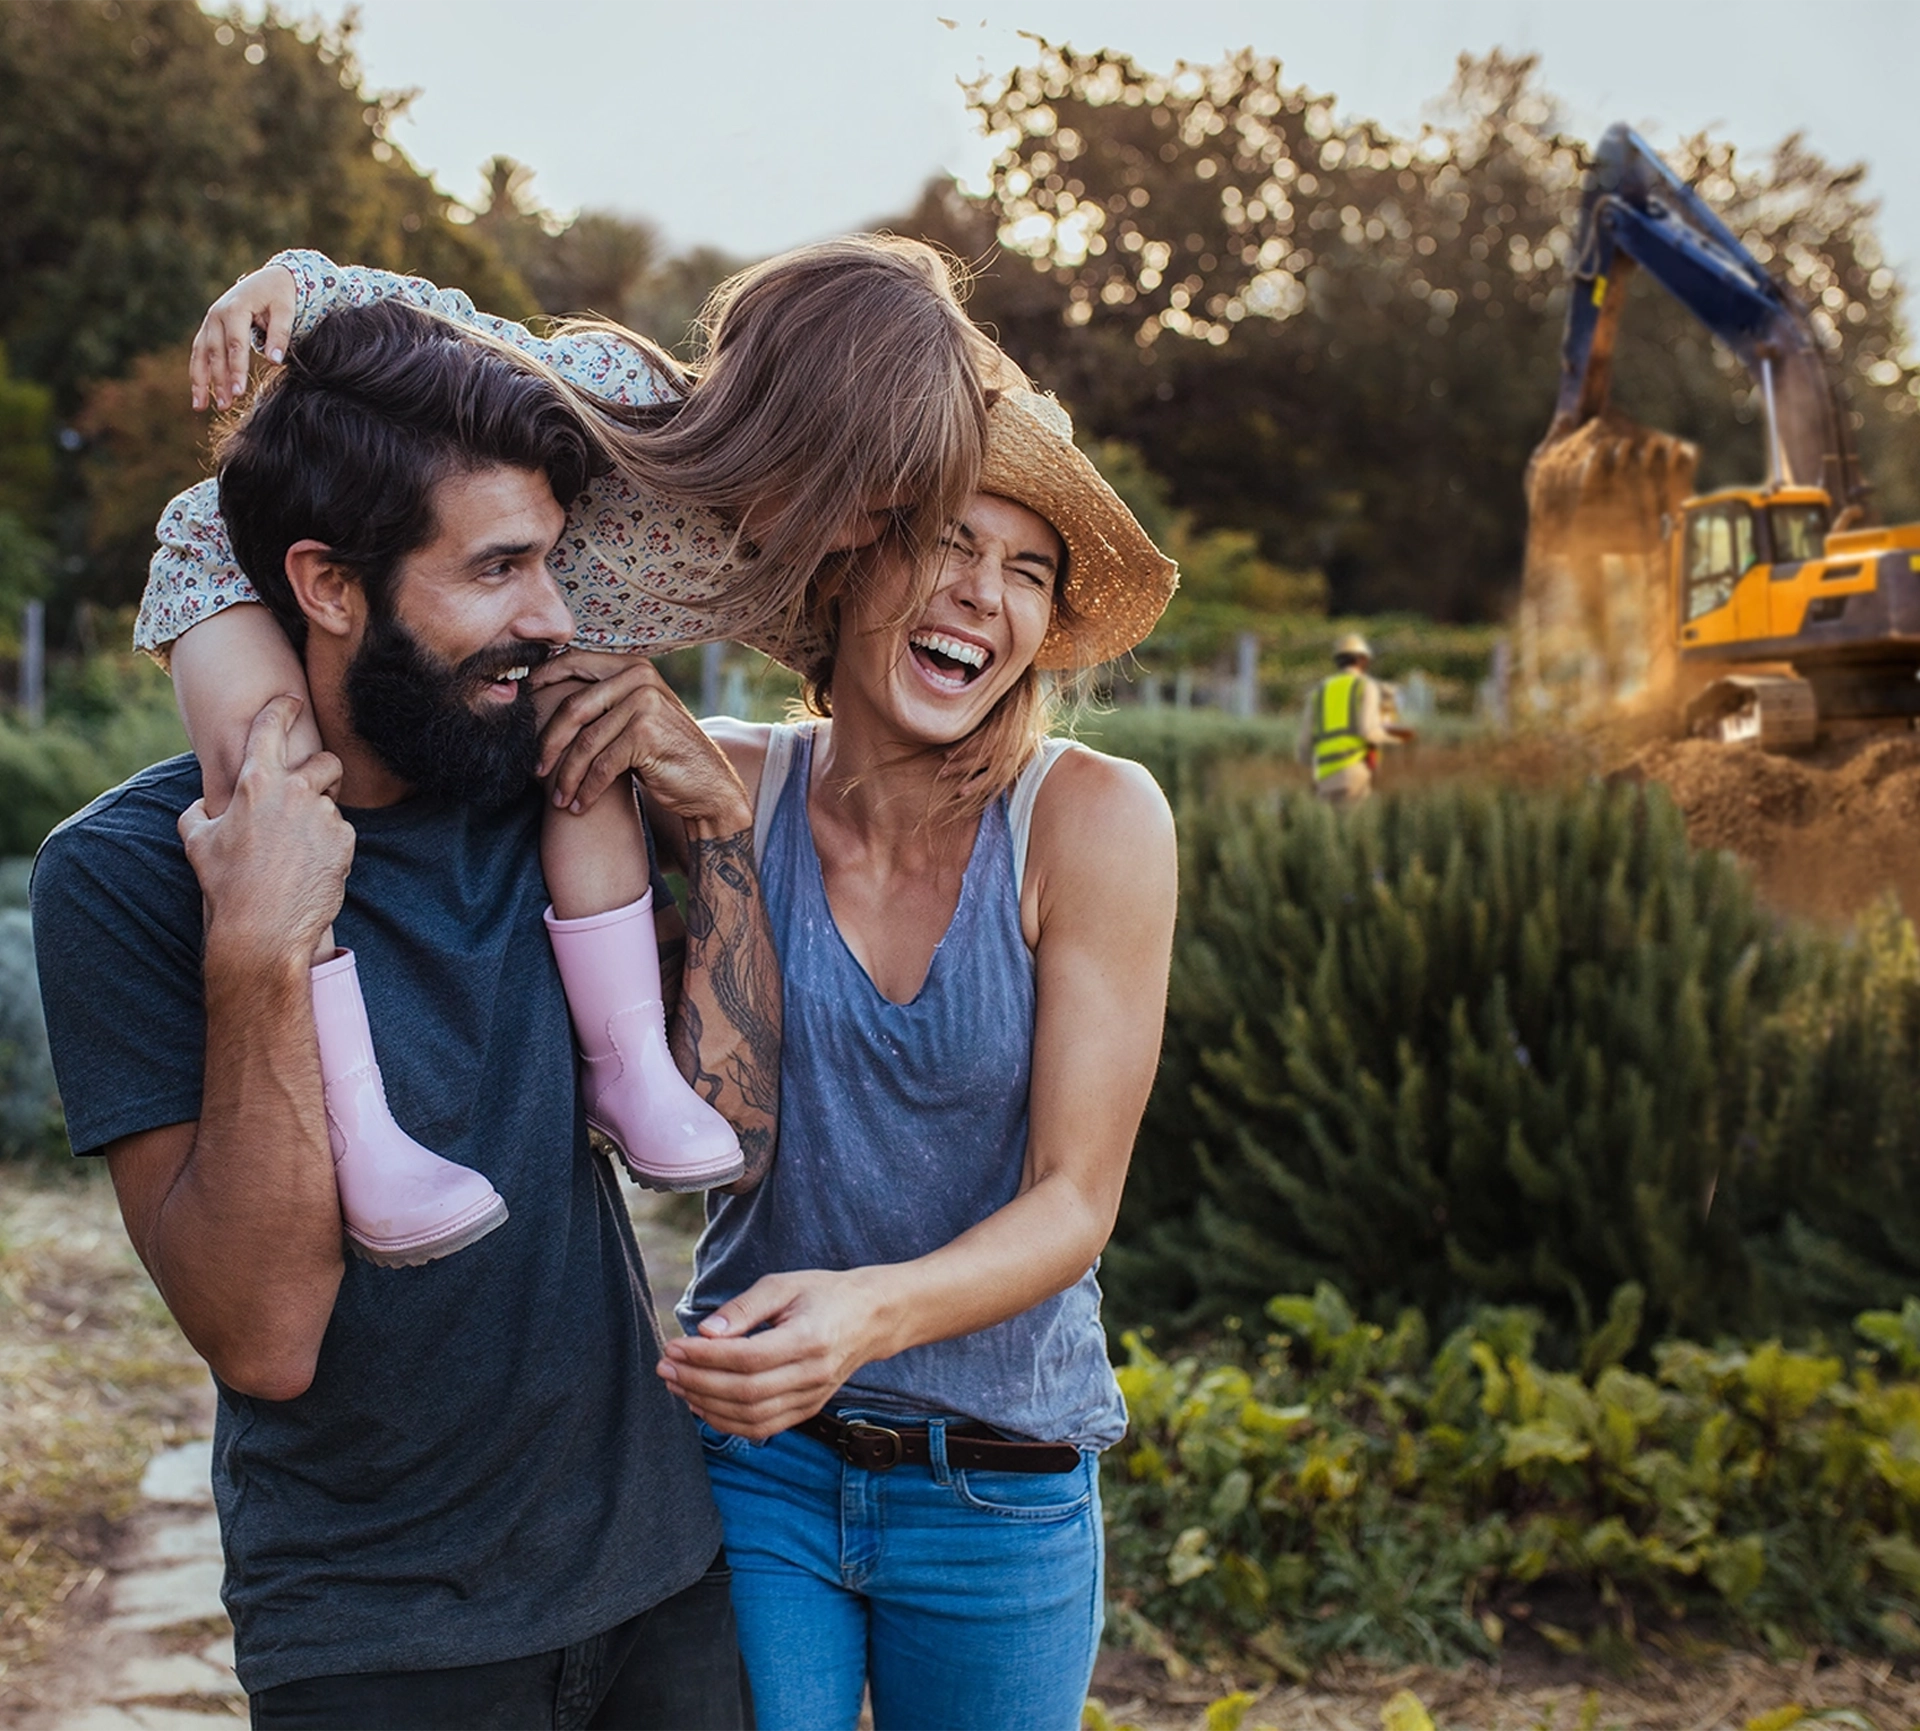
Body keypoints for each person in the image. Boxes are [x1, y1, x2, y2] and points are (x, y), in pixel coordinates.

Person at [31, 301, 777, 1725]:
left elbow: (744, 1117)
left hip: (661, 1576)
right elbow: (263, 1336)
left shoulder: (542, 781)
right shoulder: (122, 878)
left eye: (550, 559)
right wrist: (260, 942)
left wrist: (721, 833)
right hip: (375, 1636)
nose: (551, 613)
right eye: (496, 567)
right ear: (328, 584)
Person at [143, 236, 1000, 1260]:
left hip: (507, 647)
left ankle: (628, 1060)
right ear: (788, 431)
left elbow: (872, 655)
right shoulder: (618, 395)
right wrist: (295, 286)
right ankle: (357, 1128)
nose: (866, 534)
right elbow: (448, 326)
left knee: (591, 748)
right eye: (865, 500)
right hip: (236, 561)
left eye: (895, 514)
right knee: (268, 778)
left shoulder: (780, 560)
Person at [645, 387, 1181, 1731]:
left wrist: (868, 1313)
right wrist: (327, 298)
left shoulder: (1092, 820)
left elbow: (1075, 1198)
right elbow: (551, 535)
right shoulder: (725, 782)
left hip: (998, 1482)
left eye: (1028, 568)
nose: (983, 595)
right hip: (758, 1454)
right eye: (946, 539)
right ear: (847, 562)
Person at [1296, 630, 1411, 807]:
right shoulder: (1365, 686)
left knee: (1329, 832)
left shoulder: (1318, 692)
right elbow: (1369, 733)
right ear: (1363, 660)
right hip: (1353, 773)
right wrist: (1400, 738)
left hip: (1324, 778)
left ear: (1337, 662)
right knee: (1355, 831)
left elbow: (1303, 749)